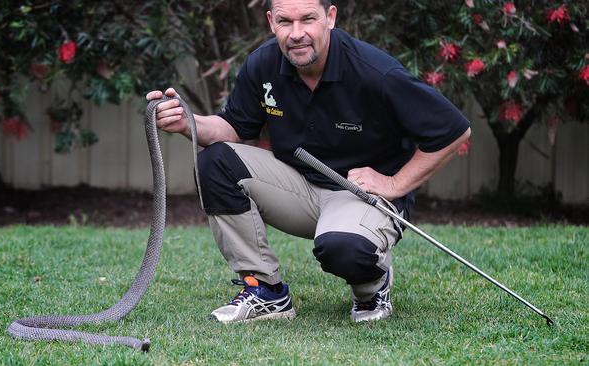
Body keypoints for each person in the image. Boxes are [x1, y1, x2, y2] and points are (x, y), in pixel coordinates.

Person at [146, 0, 471, 324]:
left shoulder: (374, 71)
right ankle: (266, 292)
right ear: (272, 22)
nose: (297, 33)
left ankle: (372, 289)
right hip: (297, 188)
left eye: (308, 19)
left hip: (359, 194)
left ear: (330, 18)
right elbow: (232, 128)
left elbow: (453, 130)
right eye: (286, 21)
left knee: (344, 249)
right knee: (215, 161)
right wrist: (188, 122)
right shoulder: (264, 64)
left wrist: (394, 184)